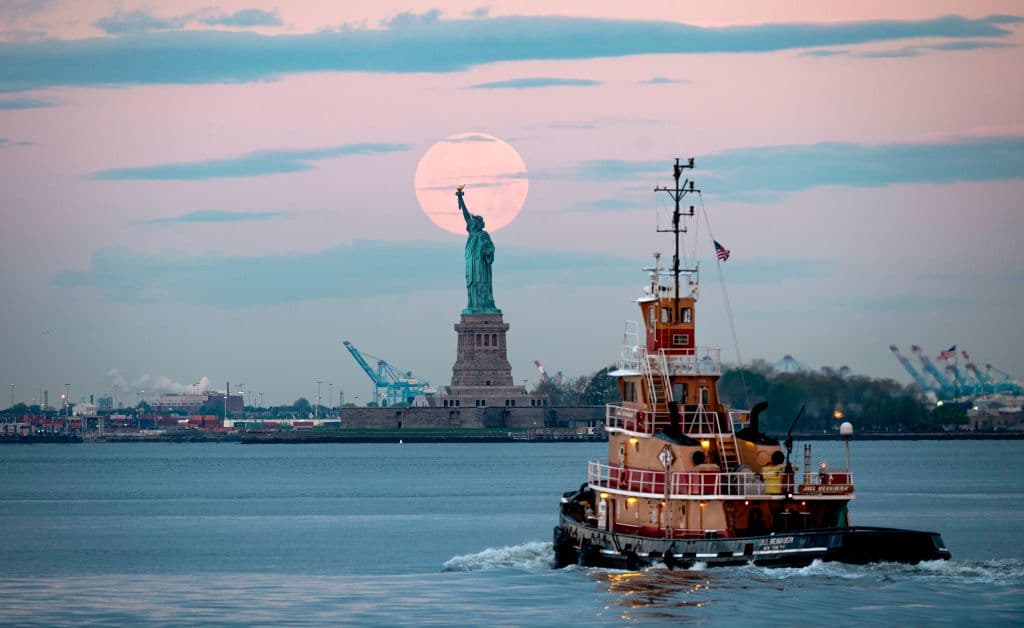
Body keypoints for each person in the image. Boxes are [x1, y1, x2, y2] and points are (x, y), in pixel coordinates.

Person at [457, 185, 498, 313]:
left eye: (474, 222)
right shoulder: (472, 235)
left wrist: (487, 251)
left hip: (481, 265)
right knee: (472, 284)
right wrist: (460, 198)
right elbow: (466, 215)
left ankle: (484, 305)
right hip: (471, 264)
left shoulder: (484, 235)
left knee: (482, 284)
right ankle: (472, 305)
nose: (472, 223)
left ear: (479, 224)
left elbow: (491, 248)